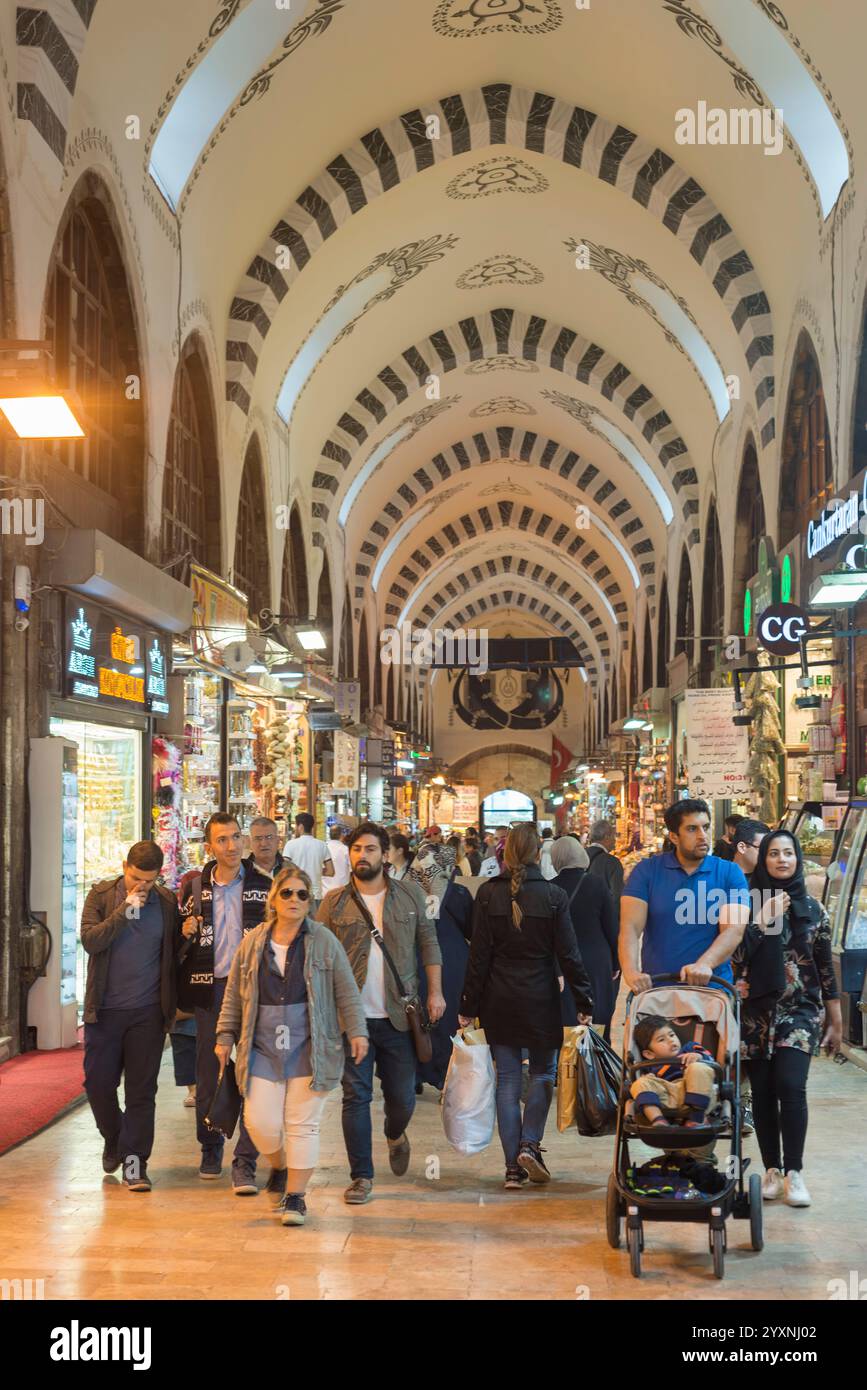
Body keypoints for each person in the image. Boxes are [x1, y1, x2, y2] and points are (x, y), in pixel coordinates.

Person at [215, 865, 368, 1226]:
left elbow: (346, 990)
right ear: (274, 899)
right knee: (259, 1121)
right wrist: (224, 1035)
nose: (295, 900)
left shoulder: (323, 940)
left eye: (302, 894)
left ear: (309, 899)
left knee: (302, 1123)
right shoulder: (253, 942)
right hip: (261, 1045)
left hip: (311, 1045)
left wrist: (357, 1031)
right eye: (287, 893)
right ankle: (280, 1164)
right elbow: (234, 995)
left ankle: (296, 1197)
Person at [458, 824, 593, 1189]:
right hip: (540, 997)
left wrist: (468, 1004)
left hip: (498, 997)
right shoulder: (553, 896)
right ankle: (530, 1145)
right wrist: (584, 999)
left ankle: (511, 1169)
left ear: (505, 853)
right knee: (543, 1074)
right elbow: (569, 954)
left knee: (507, 1079)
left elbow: (478, 957)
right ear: (538, 854)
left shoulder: (487, 895)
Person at [317, 822, 445, 1204]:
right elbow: (320, 955)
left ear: (385, 855)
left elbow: (429, 944)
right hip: (351, 1018)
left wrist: (435, 992)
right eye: (356, 849)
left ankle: (394, 1134)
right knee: (355, 1095)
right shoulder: (334, 902)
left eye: (370, 849)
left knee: (402, 1097)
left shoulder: (409, 896)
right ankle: (361, 1177)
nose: (363, 855)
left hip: (399, 1014)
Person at [735, 830, 842, 1207]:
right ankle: (772, 1170)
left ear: (798, 859)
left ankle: (795, 1172)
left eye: (789, 854)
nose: (782, 860)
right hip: (755, 1012)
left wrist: (836, 1017)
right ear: (763, 860)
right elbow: (734, 958)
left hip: (800, 1010)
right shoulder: (745, 903)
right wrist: (762, 920)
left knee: (791, 1085)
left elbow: (824, 967)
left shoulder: (814, 909)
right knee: (763, 1093)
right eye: (774, 854)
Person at [80, 841, 184, 1192]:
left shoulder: (167, 903)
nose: (141, 887)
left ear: (159, 877)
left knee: (141, 1093)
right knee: (98, 1085)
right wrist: (125, 910)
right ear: (125, 866)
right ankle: (115, 1139)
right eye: (135, 878)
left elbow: (174, 953)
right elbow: (91, 941)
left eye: (149, 881)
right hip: (104, 1011)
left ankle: (135, 1164)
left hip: (147, 1014)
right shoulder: (101, 894)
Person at [178, 813, 271, 1190]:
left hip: (255, 990)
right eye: (223, 840)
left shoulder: (264, 886)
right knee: (210, 1069)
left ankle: (246, 1157)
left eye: (236, 838)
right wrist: (185, 932)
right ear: (210, 846)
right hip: (210, 988)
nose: (232, 847)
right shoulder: (193, 887)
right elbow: (178, 940)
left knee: (254, 1070)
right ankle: (211, 1144)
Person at [619, 799, 751, 993]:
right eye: (692, 829)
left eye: (705, 827)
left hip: (713, 990)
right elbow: (630, 927)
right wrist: (631, 972)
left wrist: (704, 964)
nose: (702, 836)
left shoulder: (729, 873)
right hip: (658, 990)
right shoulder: (646, 871)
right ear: (673, 836)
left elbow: (734, 930)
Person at [550, 834, 619, 1041]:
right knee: (597, 1018)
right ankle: (597, 1067)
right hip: (596, 961)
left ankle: (568, 1067)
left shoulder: (550, 887)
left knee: (568, 1020)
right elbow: (611, 927)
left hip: (563, 963)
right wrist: (616, 962)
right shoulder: (597, 885)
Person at [630, 1017, 716, 1128]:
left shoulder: (690, 1048)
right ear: (649, 1054)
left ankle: (697, 1118)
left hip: (697, 1091)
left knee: (698, 1068)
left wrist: (698, 1056)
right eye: (661, 1040)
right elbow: (648, 1085)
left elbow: (710, 1058)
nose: (671, 1040)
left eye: (671, 1035)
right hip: (666, 1099)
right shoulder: (650, 1066)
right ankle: (658, 1120)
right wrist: (647, 1079)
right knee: (639, 1083)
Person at [282, 812, 334, 905]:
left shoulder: (290, 845)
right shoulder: (322, 845)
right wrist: (316, 869)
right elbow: (331, 871)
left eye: (296, 825)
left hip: (295, 893)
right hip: (316, 894)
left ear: (300, 826)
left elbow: (284, 869)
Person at [586, 820, 625, 912]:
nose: (615, 840)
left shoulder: (578, 856)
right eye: (613, 836)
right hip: (602, 919)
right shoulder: (612, 862)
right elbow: (617, 897)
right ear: (606, 836)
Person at [327, 824, 351, 888]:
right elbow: (352, 870)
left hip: (324, 891)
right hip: (341, 891)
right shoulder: (345, 850)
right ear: (341, 835)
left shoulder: (323, 848)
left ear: (329, 835)